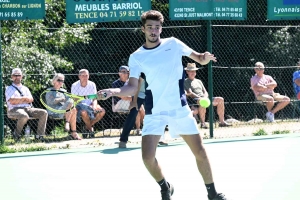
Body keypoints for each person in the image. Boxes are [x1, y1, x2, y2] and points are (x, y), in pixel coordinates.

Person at [98, 10, 227, 200]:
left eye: (157, 27)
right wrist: (113, 91)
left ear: (161, 28)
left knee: (199, 151)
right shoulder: (137, 56)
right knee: (147, 158)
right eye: (149, 27)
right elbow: (132, 86)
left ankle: (212, 193)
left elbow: (198, 57)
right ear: (143, 29)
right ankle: (165, 186)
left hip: (179, 109)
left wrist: (205, 58)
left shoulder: (173, 44)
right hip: (155, 112)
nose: (153, 31)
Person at [5, 68, 48, 141]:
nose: (17, 77)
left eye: (18, 75)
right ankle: (16, 135)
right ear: (12, 77)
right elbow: (12, 101)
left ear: (21, 76)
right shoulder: (9, 88)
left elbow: (31, 99)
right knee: (24, 116)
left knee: (44, 113)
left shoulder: (25, 88)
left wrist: (19, 99)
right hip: (14, 109)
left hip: (28, 108)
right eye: (15, 75)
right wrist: (24, 99)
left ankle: (39, 136)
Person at [184, 63, 231, 128]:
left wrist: (205, 97)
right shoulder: (185, 81)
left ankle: (222, 122)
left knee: (220, 99)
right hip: (195, 100)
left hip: (204, 98)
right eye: (191, 71)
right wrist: (201, 98)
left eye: (194, 71)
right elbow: (190, 93)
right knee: (202, 101)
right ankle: (203, 123)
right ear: (187, 72)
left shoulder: (198, 81)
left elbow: (205, 91)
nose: (193, 73)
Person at [71, 69, 105, 138]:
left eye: (86, 75)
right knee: (84, 112)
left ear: (89, 76)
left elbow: (95, 98)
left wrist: (94, 106)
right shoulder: (74, 85)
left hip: (91, 104)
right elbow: (76, 100)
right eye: (83, 76)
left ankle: (87, 127)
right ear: (79, 76)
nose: (85, 77)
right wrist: (86, 107)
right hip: (80, 106)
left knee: (102, 111)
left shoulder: (92, 84)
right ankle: (91, 129)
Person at [46, 73, 81, 140]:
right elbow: (51, 102)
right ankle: (71, 129)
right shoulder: (49, 91)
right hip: (54, 111)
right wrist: (62, 99)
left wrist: (75, 98)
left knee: (73, 108)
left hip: (64, 111)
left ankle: (73, 131)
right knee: (71, 105)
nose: (60, 82)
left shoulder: (64, 91)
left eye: (62, 81)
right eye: (59, 80)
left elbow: (70, 100)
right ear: (54, 81)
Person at [119, 77, 145, 148]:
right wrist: (134, 101)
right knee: (133, 114)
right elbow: (139, 82)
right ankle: (123, 140)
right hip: (139, 94)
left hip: (152, 94)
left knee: (158, 112)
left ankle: (160, 138)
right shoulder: (141, 68)